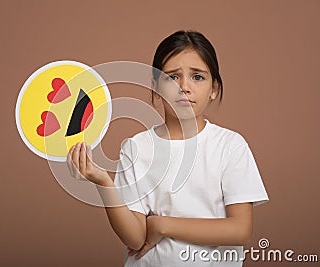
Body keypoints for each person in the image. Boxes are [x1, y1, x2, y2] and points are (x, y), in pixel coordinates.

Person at [67, 30, 269, 267]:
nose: (184, 86)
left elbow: (240, 230)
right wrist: (104, 183)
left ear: (214, 89)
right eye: (172, 77)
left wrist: (162, 225)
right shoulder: (136, 148)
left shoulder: (230, 146)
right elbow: (135, 239)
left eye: (198, 77)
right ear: (155, 87)